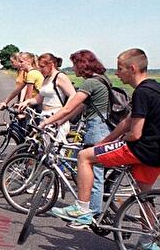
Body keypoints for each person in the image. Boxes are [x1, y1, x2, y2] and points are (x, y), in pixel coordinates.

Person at [53, 49, 160, 250]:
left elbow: (134, 133)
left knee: (84, 157)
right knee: (143, 195)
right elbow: (128, 121)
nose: (117, 73)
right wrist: (104, 142)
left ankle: (82, 209)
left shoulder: (142, 92)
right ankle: (148, 242)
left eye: (120, 68)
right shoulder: (157, 88)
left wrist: (120, 141)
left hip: (142, 149)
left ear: (133, 68)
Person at [43, 49, 111, 216]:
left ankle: (91, 212)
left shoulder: (90, 83)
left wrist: (46, 122)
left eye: (74, 64)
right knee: (90, 168)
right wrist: (59, 122)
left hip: (96, 130)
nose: (73, 68)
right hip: (99, 128)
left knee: (94, 172)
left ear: (82, 65)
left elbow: (68, 107)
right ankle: (90, 209)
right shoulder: (101, 80)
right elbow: (80, 107)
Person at [17, 53, 75, 143]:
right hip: (45, 116)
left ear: (51, 65)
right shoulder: (47, 78)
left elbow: (73, 95)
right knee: (46, 148)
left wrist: (65, 112)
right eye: (39, 67)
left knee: (56, 150)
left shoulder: (60, 76)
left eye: (42, 66)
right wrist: (26, 102)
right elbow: (39, 98)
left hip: (56, 116)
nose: (40, 69)